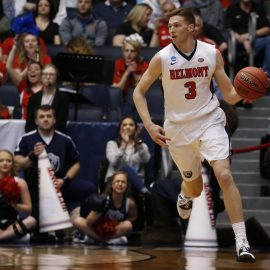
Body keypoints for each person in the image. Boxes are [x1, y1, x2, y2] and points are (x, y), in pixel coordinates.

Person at [132, 8, 255, 262]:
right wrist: (149, 125)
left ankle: (241, 241)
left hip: (210, 121)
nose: (171, 29)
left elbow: (230, 95)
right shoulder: (162, 58)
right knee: (196, 188)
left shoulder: (211, 54)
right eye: (169, 25)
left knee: (223, 174)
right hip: (178, 130)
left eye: (176, 25)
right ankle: (186, 193)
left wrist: (249, 90)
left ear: (192, 27)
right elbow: (138, 92)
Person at [14, 105, 81, 234]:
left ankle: (74, 222)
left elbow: (76, 164)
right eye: (42, 116)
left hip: (59, 187)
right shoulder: (26, 139)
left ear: (54, 120)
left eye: (49, 116)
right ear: (36, 121)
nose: (45, 119)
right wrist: (32, 155)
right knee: (36, 225)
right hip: (35, 188)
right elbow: (17, 164)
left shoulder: (65, 140)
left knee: (87, 189)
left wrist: (65, 179)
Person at [74, 171, 137, 245]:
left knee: (128, 225)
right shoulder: (103, 199)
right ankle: (104, 240)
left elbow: (133, 217)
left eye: (123, 182)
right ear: (112, 185)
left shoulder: (130, 203)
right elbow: (89, 222)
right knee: (78, 221)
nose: (120, 184)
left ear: (126, 186)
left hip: (115, 230)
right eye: (117, 181)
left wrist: (117, 224)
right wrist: (99, 209)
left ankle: (96, 240)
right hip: (98, 229)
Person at [105, 116, 151, 195]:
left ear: (136, 129)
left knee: (128, 170)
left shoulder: (141, 145)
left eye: (131, 125)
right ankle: (146, 192)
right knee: (125, 169)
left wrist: (138, 143)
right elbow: (113, 162)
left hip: (135, 182)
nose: (128, 127)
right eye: (124, 125)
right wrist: (123, 146)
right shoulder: (112, 144)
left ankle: (144, 191)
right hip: (116, 181)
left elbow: (146, 159)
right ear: (120, 129)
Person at [0, 149, 37, 242]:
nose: (5, 163)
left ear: (12, 164)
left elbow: (28, 209)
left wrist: (14, 204)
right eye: (1, 161)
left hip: (11, 224)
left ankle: (3, 237)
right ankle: (11, 238)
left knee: (32, 221)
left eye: (8, 161)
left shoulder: (20, 182)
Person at [6, 37, 43, 120]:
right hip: (25, 124)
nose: (32, 71)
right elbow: (8, 67)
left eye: (36, 70)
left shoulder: (47, 87)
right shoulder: (23, 86)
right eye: (30, 70)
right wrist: (14, 47)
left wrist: (35, 59)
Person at [25, 64, 69, 133]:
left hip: (55, 137)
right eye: (45, 74)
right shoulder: (34, 98)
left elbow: (61, 125)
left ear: (56, 77)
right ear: (41, 77)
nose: (48, 77)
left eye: (51, 74)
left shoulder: (62, 98)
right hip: (36, 138)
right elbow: (29, 124)